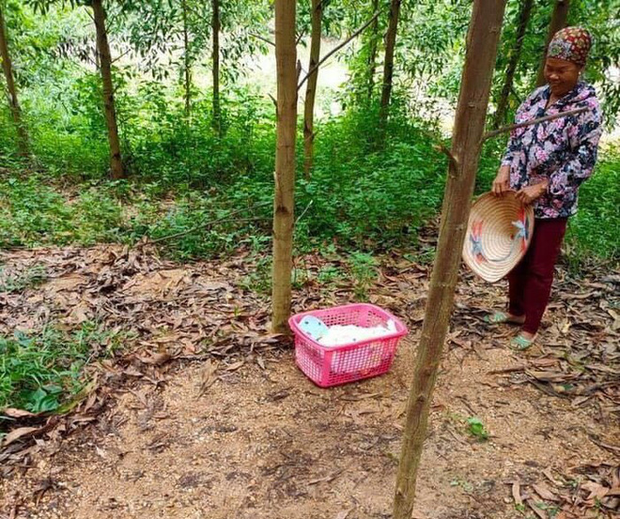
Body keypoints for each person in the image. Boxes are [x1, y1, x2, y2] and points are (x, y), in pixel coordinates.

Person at [487, 27, 602, 350]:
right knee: (517, 256)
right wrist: (505, 167)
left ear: (579, 68)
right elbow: (516, 138)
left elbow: (585, 162)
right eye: (549, 67)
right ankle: (515, 312)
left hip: (553, 204)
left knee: (539, 265)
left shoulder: (586, 107)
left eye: (561, 70)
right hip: (518, 197)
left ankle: (531, 326)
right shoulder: (536, 99)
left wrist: (545, 187)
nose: (552, 75)